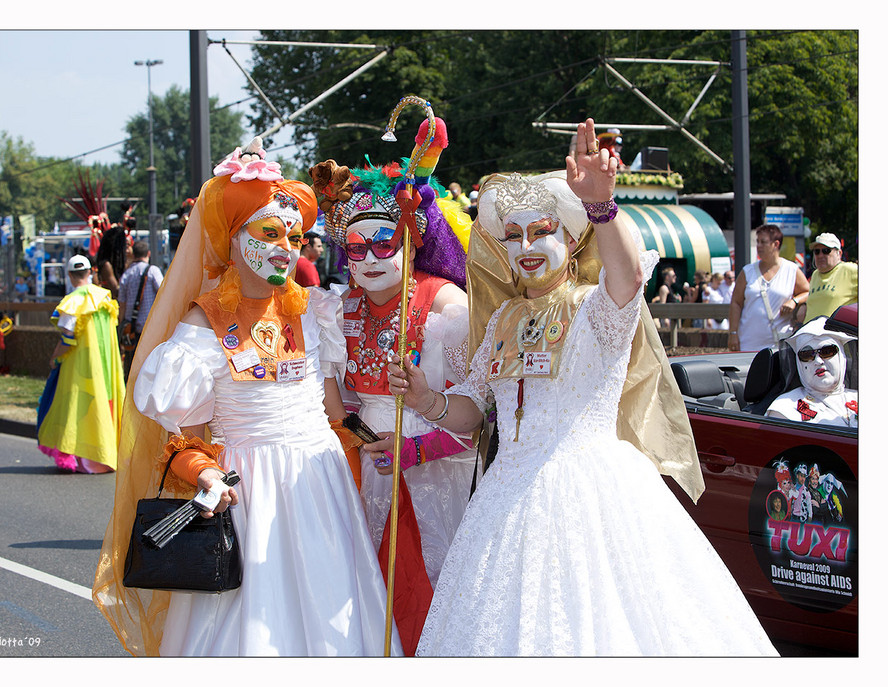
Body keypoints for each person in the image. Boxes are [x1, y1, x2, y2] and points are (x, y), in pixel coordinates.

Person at [388, 119, 777, 656]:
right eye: (514, 236)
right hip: (505, 499)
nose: (527, 245)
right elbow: (475, 410)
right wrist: (428, 400)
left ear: (571, 240)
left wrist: (602, 205)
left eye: (541, 230)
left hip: (593, 491)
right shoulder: (502, 319)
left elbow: (628, 279)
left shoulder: (597, 308)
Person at [92, 137, 400, 657]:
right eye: (270, 233)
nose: (286, 247)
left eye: (295, 236)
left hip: (320, 486)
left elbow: (332, 412)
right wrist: (205, 473)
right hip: (249, 492)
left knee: (336, 618)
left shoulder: (314, 312)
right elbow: (181, 438)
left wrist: (376, 440)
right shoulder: (201, 324)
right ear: (232, 239)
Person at [308, 115, 477, 653]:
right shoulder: (338, 310)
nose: (370, 258)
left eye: (384, 241)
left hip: (437, 474)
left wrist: (418, 436)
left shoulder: (448, 308)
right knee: (362, 598)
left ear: (410, 237)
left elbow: (479, 417)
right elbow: (338, 407)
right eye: (355, 248)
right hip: (367, 470)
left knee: (425, 593)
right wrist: (362, 442)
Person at [36, 254, 124, 474]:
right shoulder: (104, 297)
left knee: (74, 409)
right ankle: (105, 454)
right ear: (90, 272)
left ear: (69, 275)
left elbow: (67, 337)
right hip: (106, 365)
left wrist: (55, 357)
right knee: (103, 405)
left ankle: (83, 458)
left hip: (79, 367)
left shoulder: (73, 301)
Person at [727, 224, 809, 352]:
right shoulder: (747, 271)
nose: (758, 246)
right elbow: (736, 303)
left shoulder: (791, 270)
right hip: (748, 342)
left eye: (763, 242)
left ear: (775, 244)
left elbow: (808, 291)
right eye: (757, 241)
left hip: (778, 343)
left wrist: (794, 301)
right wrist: (733, 333)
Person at [765, 316, 857, 427]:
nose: (818, 361)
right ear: (799, 363)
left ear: (841, 357)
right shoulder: (785, 409)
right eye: (807, 355)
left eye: (826, 351)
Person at [117, 240, 163, 379]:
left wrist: (122, 324)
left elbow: (122, 304)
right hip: (151, 327)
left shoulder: (126, 275)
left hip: (133, 329)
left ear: (134, 254)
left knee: (134, 365)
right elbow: (163, 292)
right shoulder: (153, 271)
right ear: (148, 253)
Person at [804, 232, 858, 320]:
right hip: (809, 332)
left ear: (839, 254)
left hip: (836, 332)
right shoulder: (815, 274)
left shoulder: (850, 270)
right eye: (817, 252)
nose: (820, 255)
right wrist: (803, 306)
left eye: (826, 251)